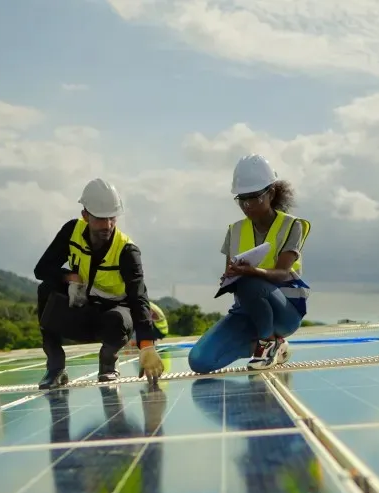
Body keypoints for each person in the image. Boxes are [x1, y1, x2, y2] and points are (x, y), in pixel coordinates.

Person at [33, 178, 165, 388]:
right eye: (100, 219)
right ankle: (55, 367)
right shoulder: (71, 231)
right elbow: (41, 270)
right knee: (46, 290)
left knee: (118, 319)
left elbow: (138, 296)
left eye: (111, 218)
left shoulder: (127, 251)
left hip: (113, 317)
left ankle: (108, 363)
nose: (107, 225)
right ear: (85, 215)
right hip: (82, 310)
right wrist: (68, 277)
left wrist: (146, 345)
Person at [188, 154, 311, 373]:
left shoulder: (292, 226)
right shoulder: (234, 231)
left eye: (253, 198)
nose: (247, 205)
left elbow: (283, 273)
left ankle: (267, 342)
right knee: (199, 361)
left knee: (250, 281)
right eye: (241, 199)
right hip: (248, 312)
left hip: (284, 311)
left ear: (271, 193)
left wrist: (250, 271)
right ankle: (271, 346)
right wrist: (229, 277)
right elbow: (232, 275)